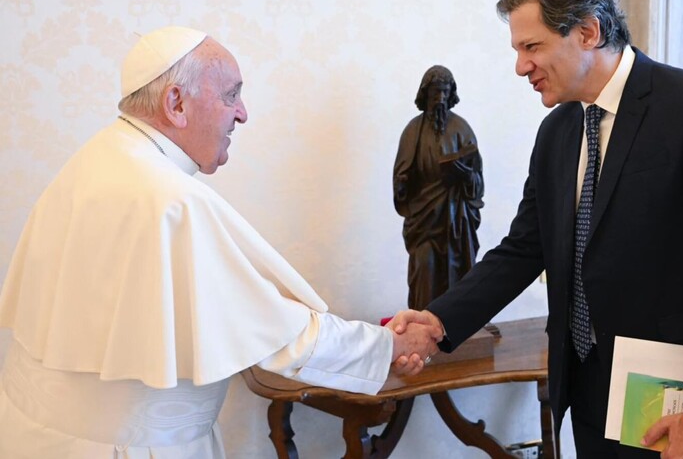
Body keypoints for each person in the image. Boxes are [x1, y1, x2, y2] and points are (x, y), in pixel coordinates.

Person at [389, 0, 683, 458]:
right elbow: (524, 249)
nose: (521, 66)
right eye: (518, 50)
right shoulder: (558, 131)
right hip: (588, 391)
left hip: (680, 402)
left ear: (588, 32)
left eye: (532, 47)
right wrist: (438, 323)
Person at [0, 26, 439, 458]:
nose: (243, 113)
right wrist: (390, 346)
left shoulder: (102, 156)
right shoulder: (167, 198)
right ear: (175, 103)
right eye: (231, 95)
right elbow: (277, 335)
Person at [393, 65, 484, 310]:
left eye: (444, 92)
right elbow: (401, 175)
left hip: (456, 219)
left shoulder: (462, 129)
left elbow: (477, 182)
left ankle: (458, 326)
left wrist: (465, 176)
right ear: (425, 94)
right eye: (435, 92)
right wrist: (401, 186)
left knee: (458, 271)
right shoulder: (413, 131)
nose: (440, 98)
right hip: (424, 219)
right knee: (425, 267)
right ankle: (422, 327)